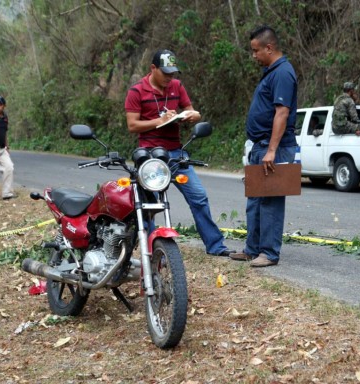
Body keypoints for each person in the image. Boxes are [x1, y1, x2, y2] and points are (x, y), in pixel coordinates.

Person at [124, 49, 234, 257]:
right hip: (149, 156)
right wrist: (160, 121)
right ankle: (151, 250)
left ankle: (215, 245)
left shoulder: (177, 86)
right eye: (165, 73)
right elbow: (132, 125)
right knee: (151, 204)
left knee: (198, 196)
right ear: (153, 69)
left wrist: (190, 116)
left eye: (172, 73)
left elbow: (192, 110)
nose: (169, 78)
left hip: (175, 153)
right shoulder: (137, 91)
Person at [229, 26, 298, 267]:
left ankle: (268, 253)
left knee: (270, 202)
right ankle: (252, 249)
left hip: (274, 148)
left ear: (269, 48)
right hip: (260, 146)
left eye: (256, 51)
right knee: (256, 200)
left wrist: (271, 150)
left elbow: (282, 112)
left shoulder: (283, 73)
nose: (254, 55)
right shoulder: (271, 72)